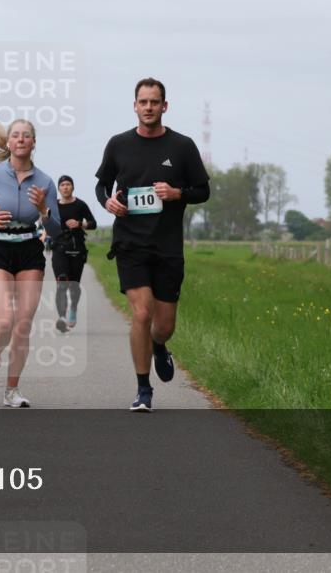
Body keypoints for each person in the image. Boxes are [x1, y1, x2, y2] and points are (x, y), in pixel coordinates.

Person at [94, 78, 209, 413]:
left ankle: (160, 346)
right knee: (141, 313)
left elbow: (202, 190)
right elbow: (102, 184)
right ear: (134, 106)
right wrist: (108, 203)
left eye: (154, 102)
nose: (148, 107)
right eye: (143, 102)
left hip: (168, 246)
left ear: (164, 106)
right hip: (130, 243)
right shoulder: (118, 144)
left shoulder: (183, 147)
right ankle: (143, 389)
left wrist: (177, 194)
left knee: (164, 325)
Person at [0, 116, 61, 408]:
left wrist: (44, 209)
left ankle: (12, 391)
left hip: (29, 250)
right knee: (5, 320)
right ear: (8, 142)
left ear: (34, 143)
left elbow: (57, 228)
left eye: (26, 135)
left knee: (22, 324)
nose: (21, 139)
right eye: (16, 135)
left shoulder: (45, 181)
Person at [51, 175, 97, 332]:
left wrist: (80, 224)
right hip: (59, 248)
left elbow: (93, 224)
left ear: (73, 187)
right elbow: (46, 222)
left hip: (77, 248)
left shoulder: (80, 205)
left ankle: (73, 309)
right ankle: (62, 318)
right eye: (62, 185)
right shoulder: (53, 206)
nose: (65, 187)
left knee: (74, 286)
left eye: (68, 184)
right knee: (62, 283)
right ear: (58, 188)